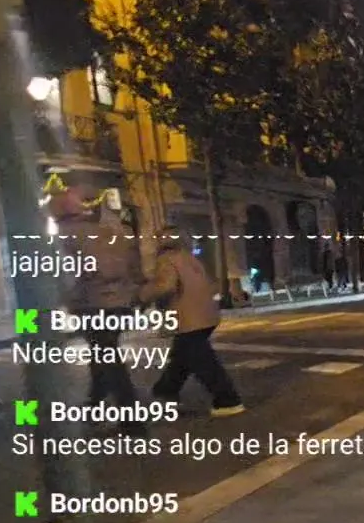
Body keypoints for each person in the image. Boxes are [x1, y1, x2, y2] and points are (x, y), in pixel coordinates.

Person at [48, 173, 144, 431]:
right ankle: (94, 406)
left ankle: (132, 420)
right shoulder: (111, 228)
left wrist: (67, 300)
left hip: (94, 303)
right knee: (102, 354)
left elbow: (68, 275)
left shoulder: (68, 234)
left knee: (108, 359)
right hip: (120, 302)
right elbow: (131, 265)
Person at [141, 226, 245, 417]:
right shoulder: (188, 257)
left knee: (204, 363)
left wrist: (142, 295)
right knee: (182, 357)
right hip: (205, 314)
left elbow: (165, 286)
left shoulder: (165, 260)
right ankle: (165, 391)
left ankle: (228, 400)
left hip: (188, 318)